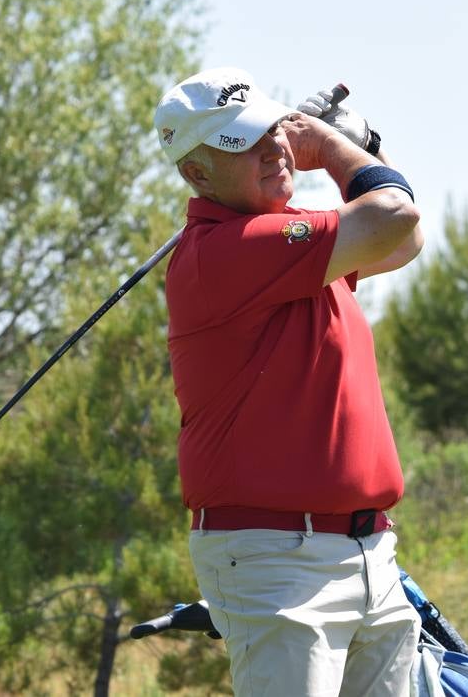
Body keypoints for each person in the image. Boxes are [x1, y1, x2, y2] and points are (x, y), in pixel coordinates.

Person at [154, 66, 424, 696]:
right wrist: (333, 147)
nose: (275, 146)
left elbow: (405, 238)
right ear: (197, 175)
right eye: (242, 141)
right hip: (276, 559)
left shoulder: (286, 244)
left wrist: (366, 147)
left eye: (274, 128)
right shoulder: (225, 253)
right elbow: (392, 214)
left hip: (368, 555)